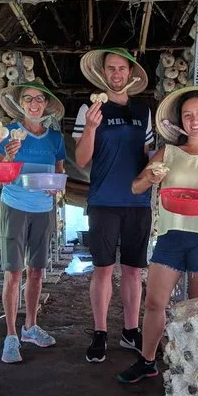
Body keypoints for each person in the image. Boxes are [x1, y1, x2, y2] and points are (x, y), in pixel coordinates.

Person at [116, 86, 198, 383]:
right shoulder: (168, 153)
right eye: (187, 115)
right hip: (171, 235)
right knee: (155, 303)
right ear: (180, 121)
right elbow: (136, 187)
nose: (194, 120)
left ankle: (194, 369)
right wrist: (150, 176)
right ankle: (147, 361)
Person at [73, 48, 154, 363]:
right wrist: (91, 128)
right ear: (102, 73)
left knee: (133, 271)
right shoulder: (89, 110)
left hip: (138, 201)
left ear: (131, 74)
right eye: (111, 68)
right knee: (103, 269)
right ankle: (100, 333)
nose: (116, 74)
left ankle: (131, 331)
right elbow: (81, 160)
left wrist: (159, 168)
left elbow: (147, 156)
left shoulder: (143, 112)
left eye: (122, 68)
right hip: (104, 200)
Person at [0, 80, 66, 363]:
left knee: (36, 271)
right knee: (13, 273)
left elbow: (59, 171)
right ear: (20, 103)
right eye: (28, 99)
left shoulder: (55, 139)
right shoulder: (9, 133)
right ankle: (11, 335)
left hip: (43, 209)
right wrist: (7, 157)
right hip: (14, 205)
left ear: (46, 104)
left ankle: (30, 327)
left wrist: (56, 186)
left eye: (39, 99)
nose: (34, 104)